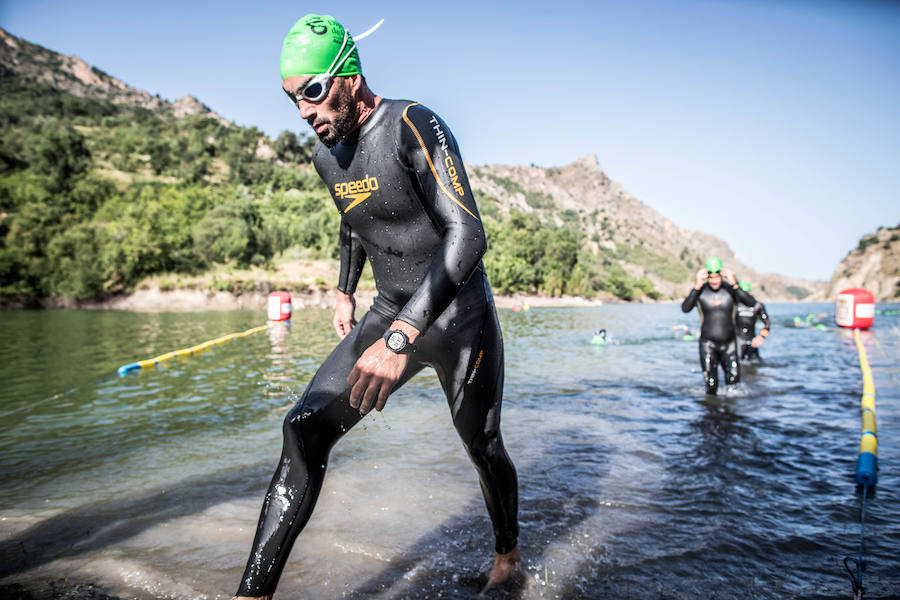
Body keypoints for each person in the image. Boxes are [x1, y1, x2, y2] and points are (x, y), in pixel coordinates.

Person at [234, 15, 521, 599]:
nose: (304, 110)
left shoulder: (413, 123)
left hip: (457, 318)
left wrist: (397, 342)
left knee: (482, 445)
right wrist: (345, 288)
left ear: (349, 74)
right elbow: (352, 220)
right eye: (292, 98)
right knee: (303, 431)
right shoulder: (324, 156)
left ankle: (508, 557)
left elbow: (466, 236)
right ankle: (252, 594)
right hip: (390, 310)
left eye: (312, 91)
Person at [680, 257, 755, 395]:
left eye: (717, 277)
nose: (714, 281)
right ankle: (711, 412)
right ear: (707, 276)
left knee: (733, 385)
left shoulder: (730, 289)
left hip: (730, 345)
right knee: (711, 385)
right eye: (711, 277)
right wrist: (696, 286)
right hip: (708, 344)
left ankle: (731, 414)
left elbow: (751, 303)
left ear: (722, 275)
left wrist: (735, 283)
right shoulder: (701, 291)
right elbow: (685, 308)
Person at [734, 281, 770, 363]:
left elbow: (767, 324)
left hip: (752, 341)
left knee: (756, 367)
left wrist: (761, 337)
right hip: (737, 341)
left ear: (750, 293)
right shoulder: (734, 305)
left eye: (746, 293)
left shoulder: (757, 306)